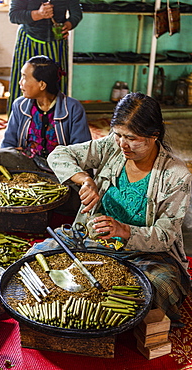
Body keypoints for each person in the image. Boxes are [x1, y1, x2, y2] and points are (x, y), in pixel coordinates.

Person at [45, 92, 192, 322]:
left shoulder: (176, 175)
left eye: (132, 138)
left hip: (142, 254)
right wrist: (85, 180)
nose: (123, 144)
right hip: (91, 239)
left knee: (161, 286)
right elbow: (59, 154)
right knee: (38, 259)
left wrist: (124, 231)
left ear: (154, 135)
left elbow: (166, 235)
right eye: (118, 135)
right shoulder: (112, 147)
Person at [0, 55, 92, 215]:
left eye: (24, 77)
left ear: (42, 84)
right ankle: (45, 199)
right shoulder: (20, 105)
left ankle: (42, 199)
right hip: (30, 166)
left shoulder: (73, 108)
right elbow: (8, 144)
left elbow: (83, 153)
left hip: (61, 172)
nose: (20, 83)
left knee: (80, 195)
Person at [7, 0, 83, 116]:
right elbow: (14, 15)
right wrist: (38, 14)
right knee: (25, 83)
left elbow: (76, 13)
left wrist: (67, 25)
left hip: (56, 44)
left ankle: (56, 123)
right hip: (29, 41)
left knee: (55, 83)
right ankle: (20, 125)